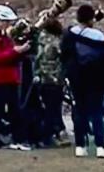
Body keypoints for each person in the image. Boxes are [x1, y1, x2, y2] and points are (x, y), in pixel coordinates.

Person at [62, 5, 104, 159]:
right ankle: (100, 146)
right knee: (97, 111)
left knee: (79, 111)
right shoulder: (97, 35)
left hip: (76, 79)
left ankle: (80, 146)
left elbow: (64, 56)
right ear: (92, 19)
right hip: (95, 79)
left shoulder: (69, 35)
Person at [0, 4, 31, 151]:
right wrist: (17, 52)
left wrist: (18, 52)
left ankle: (11, 138)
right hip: (0, 78)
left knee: (12, 110)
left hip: (8, 78)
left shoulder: (1, 38)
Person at [35, 17, 66, 146]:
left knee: (47, 108)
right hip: (54, 78)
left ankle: (47, 135)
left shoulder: (40, 39)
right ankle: (48, 136)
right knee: (53, 109)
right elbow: (62, 55)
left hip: (43, 77)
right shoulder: (56, 41)